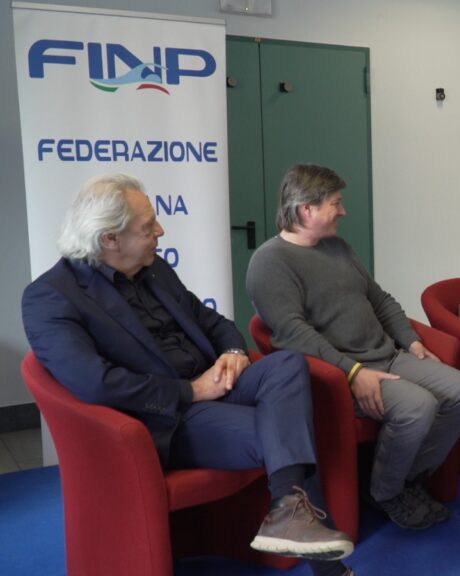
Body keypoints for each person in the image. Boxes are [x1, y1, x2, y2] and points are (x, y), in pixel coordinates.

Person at [21, 174, 355, 576]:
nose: (160, 231)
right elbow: (94, 381)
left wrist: (232, 352)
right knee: (284, 426)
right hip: (168, 416)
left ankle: (289, 511)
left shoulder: (153, 268)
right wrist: (190, 391)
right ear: (109, 239)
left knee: (287, 365)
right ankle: (327, 566)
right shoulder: (51, 296)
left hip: (216, 382)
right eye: (147, 227)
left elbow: (212, 321)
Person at [247, 164, 460, 531]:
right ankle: (387, 493)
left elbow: (381, 299)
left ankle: (404, 480)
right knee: (418, 407)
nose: (343, 211)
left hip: (388, 355)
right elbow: (293, 334)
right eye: (336, 203)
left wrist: (413, 341)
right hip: (345, 372)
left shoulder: (338, 247)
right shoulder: (269, 262)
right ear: (307, 210)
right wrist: (352, 372)